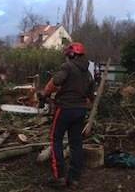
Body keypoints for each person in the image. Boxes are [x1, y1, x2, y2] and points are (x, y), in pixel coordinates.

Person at [43, 42, 95, 190]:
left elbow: (56, 81)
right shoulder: (87, 72)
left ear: (71, 55)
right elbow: (90, 95)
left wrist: (46, 93)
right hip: (80, 110)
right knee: (76, 143)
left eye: (67, 55)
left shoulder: (68, 66)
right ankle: (75, 179)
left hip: (65, 108)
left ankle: (59, 177)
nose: (66, 58)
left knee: (55, 139)